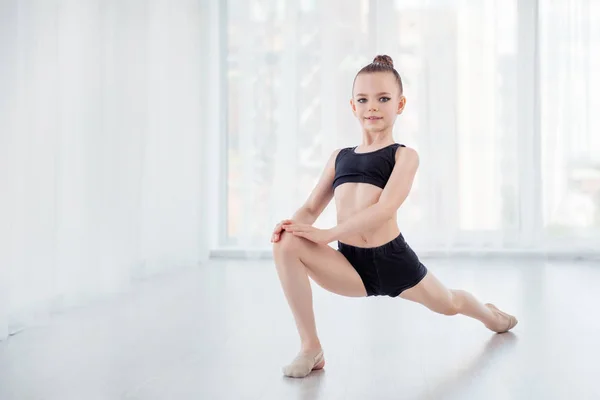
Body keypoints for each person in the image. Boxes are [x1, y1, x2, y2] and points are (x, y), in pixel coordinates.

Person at [271, 55, 518, 379]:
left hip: (393, 261)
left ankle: (490, 317)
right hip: (350, 265)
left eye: (383, 99)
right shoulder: (340, 157)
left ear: (400, 104)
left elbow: (384, 209)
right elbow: (311, 208)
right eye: (363, 99)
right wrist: (293, 224)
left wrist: (327, 234)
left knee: (449, 303)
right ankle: (311, 348)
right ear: (352, 106)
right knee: (286, 242)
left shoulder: (403, 156)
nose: (372, 106)